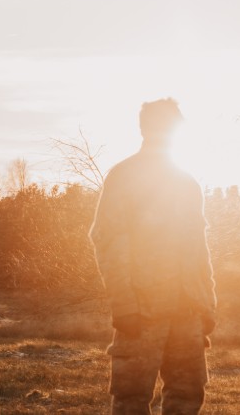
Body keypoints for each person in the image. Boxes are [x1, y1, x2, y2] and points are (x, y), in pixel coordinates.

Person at [89, 98, 217, 415]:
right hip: (141, 311)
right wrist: (124, 305)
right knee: (131, 397)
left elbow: (199, 248)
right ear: (145, 129)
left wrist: (206, 304)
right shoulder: (123, 176)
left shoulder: (188, 183)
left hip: (188, 311)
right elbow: (108, 241)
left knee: (188, 395)